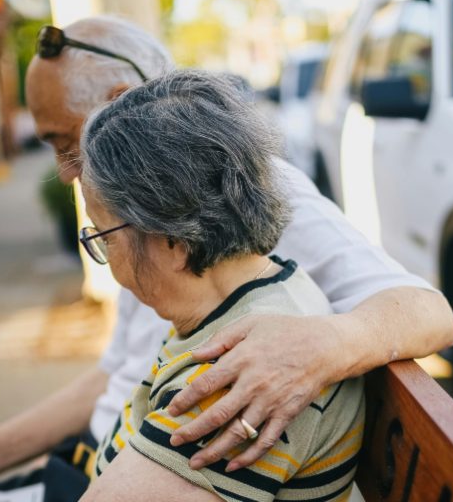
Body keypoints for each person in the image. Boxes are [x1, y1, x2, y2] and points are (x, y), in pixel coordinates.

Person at [0, 16, 453, 499]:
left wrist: (322, 344)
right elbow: (115, 376)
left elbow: (428, 310)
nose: (67, 171)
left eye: (67, 143)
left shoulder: (219, 202)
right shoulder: (192, 262)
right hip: (111, 452)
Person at [79, 69, 364, 501]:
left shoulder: (235, 380)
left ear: (172, 241)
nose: (109, 265)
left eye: (103, 237)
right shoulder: (274, 283)